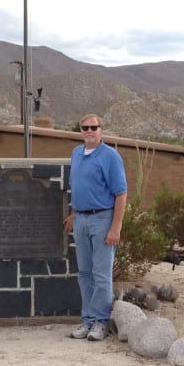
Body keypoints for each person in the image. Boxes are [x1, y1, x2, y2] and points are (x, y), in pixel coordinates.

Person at [63, 113, 127, 341]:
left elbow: (120, 194)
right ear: (80, 130)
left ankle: (100, 322)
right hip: (81, 220)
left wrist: (115, 227)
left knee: (101, 274)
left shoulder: (110, 157)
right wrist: (73, 214)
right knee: (85, 273)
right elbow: (79, 187)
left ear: (101, 129)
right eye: (85, 128)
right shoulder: (77, 154)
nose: (89, 131)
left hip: (102, 219)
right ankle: (87, 320)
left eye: (93, 127)